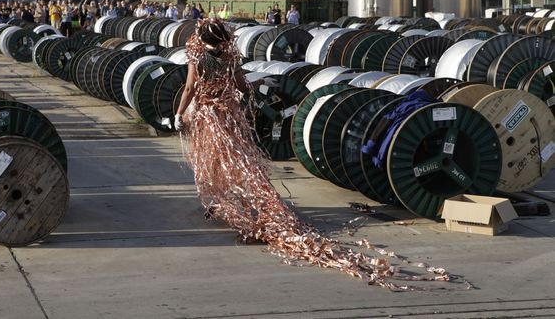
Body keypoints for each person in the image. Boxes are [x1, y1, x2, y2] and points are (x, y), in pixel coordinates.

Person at [173, 19, 454, 291]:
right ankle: (238, 202)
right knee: (240, 159)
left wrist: (179, 113)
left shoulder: (197, 60)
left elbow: (189, 88)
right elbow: (240, 85)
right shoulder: (231, 60)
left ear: (204, 39)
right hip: (229, 115)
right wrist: (249, 95)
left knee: (215, 160)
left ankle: (224, 202)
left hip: (210, 117)